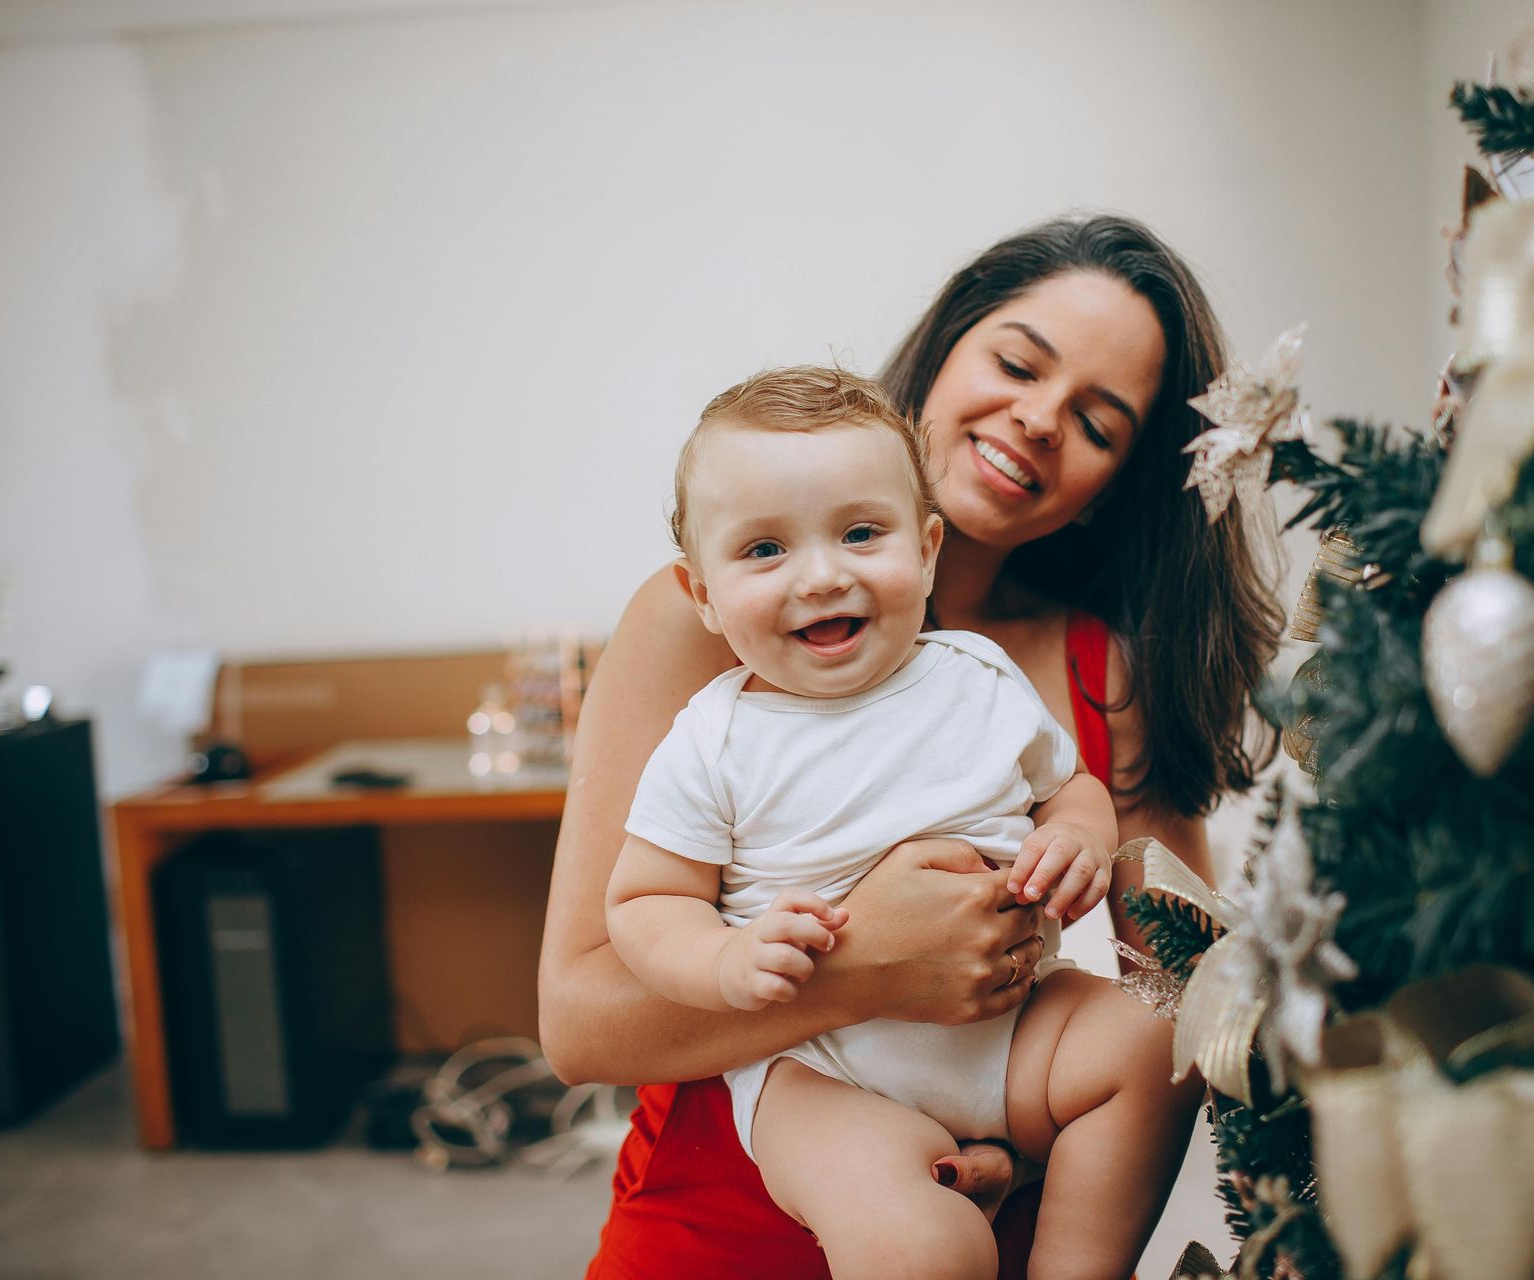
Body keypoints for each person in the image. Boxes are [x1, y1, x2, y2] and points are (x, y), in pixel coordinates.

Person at [540, 215, 1283, 1279]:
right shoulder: (697, 634)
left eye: (1099, 422)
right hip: (723, 1215)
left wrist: (1028, 1145)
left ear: (1113, 484)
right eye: (1018, 363)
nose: (1035, 419)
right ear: (943, 354)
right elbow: (577, 1027)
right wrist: (865, 970)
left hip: (995, 1216)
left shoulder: (1086, 671)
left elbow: (1175, 994)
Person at [607, 366, 1190, 1279]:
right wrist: (725, 960)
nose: (823, 574)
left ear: (925, 550)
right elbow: (645, 900)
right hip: (822, 1070)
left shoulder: (977, 676)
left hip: (1012, 1027)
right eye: (764, 551)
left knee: (1151, 1040)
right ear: (703, 594)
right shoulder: (714, 740)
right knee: (925, 1245)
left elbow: (1070, 786)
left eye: (860, 533)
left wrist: (1077, 838)